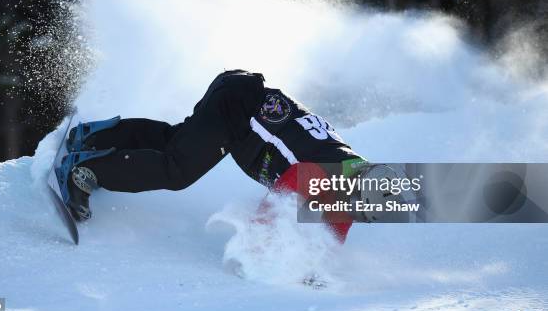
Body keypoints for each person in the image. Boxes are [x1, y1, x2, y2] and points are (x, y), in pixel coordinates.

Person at [56, 69, 368, 242]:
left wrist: (314, 266)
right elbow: (275, 212)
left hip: (239, 97)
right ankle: (85, 171)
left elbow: (334, 230)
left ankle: (95, 136)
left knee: (176, 144)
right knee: (177, 170)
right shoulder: (331, 176)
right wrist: (267, 254)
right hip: (239, 107)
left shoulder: (343, 181)